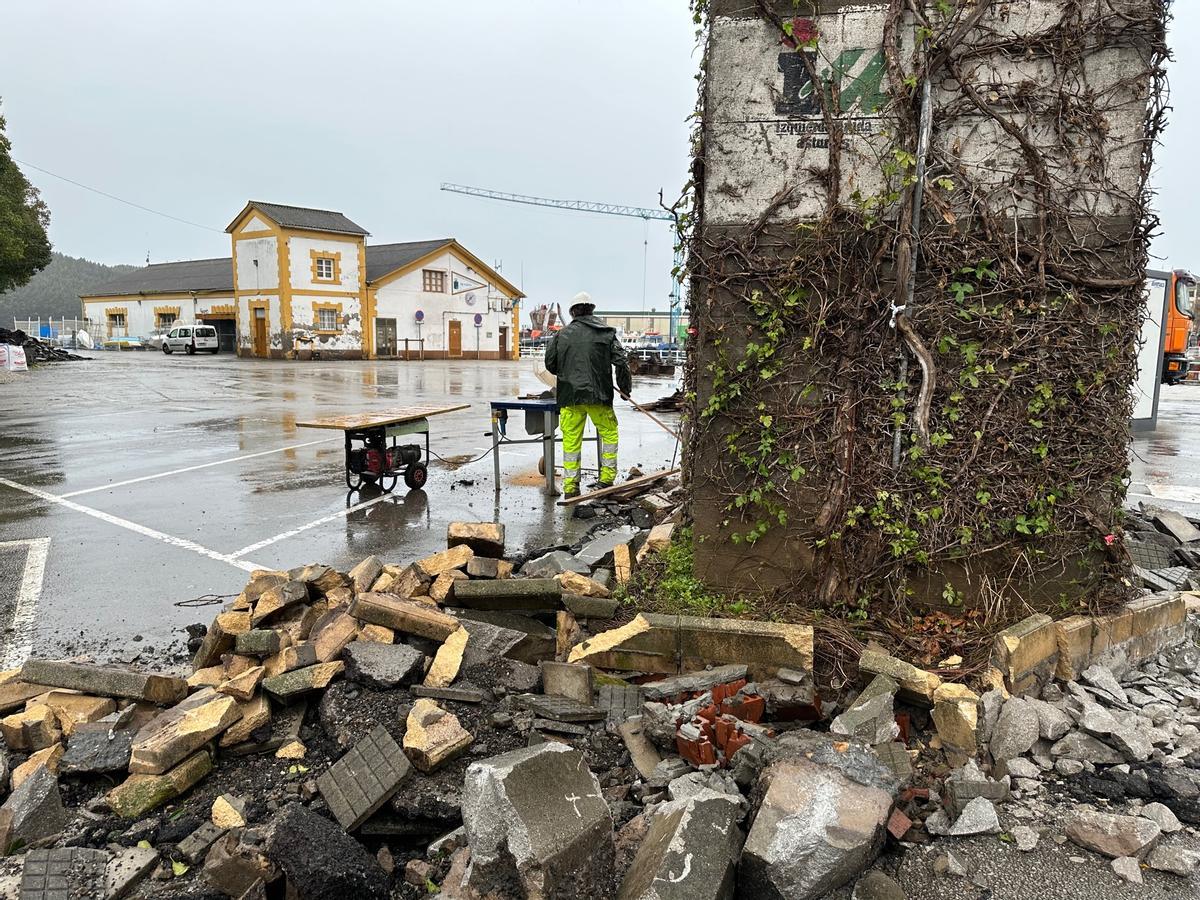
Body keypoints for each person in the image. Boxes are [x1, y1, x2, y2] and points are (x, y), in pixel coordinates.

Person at [544, 292, 633, 498]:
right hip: (599, 395)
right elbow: (621, 361)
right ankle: (606, 480)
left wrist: (568, 373)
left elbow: (551, 364)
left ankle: (571, 487)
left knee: (571, 441)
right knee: (609, 435)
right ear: (592, 309)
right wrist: (624, 389)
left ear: (573, 312)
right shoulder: (607, 333)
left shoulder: (561, 335)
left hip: (569, 397)